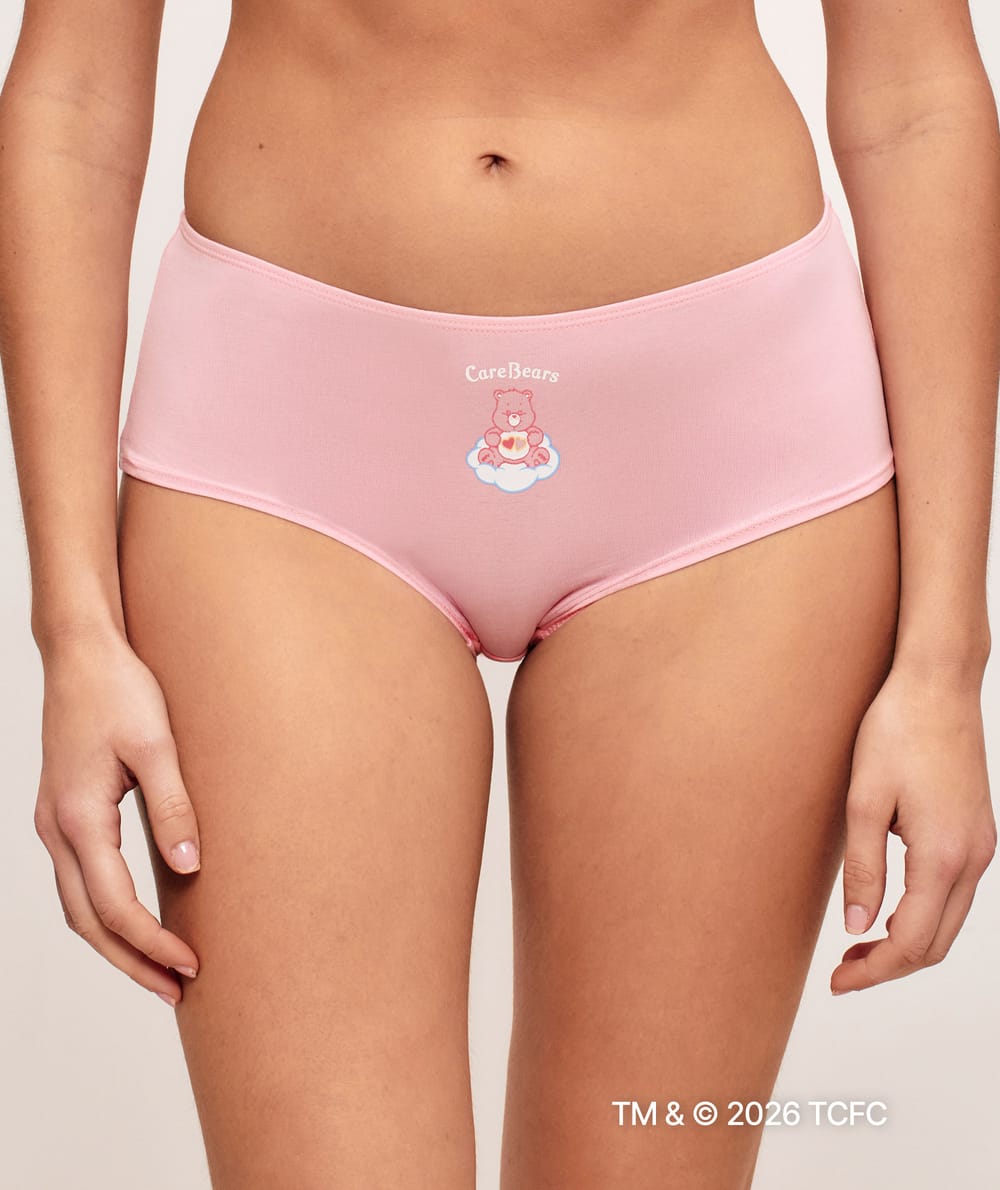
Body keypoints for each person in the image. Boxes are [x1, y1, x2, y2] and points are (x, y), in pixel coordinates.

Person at [1, 1, 997, 1187]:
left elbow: (914, 95)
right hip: (285, 452)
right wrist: (72, 629)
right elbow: (71, 99)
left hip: (726, 457)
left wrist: (945, 660)